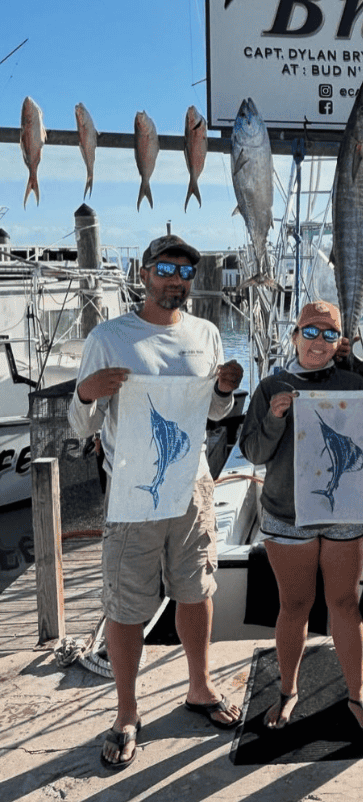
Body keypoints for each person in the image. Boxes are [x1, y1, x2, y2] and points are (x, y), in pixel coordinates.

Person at [68, 235, 244, 771]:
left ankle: (200, 686)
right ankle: (126, 712)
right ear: (144, 274)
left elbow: (213, 415)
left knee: (197, 590)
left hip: (193, 488)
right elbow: (80, 426)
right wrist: (86, 392)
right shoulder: (109, 337)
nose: (176, 279)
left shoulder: (206, 333)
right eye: (166, 269)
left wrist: (224, 391)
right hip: (131, 495)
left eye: (186, 271)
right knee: (126, 607)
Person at [239, 300, 363, 734]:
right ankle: (287, 691)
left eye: (329, 334)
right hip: (287, 515)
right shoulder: (271, 386)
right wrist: (275, 418)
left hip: (344, 512)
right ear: (294, 336)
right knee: (294, 604)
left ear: (339, 342)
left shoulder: (355, 384)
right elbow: (253, 452)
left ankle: (357, 694)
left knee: (345, 602)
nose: (318, 341)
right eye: (309, 331)